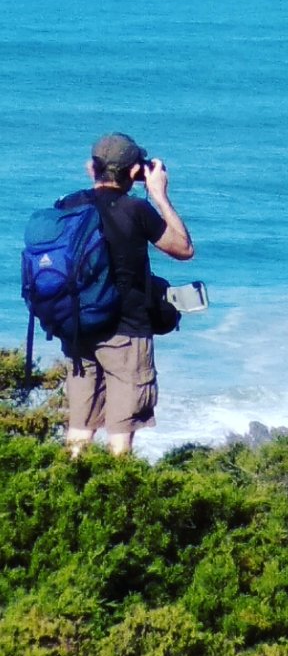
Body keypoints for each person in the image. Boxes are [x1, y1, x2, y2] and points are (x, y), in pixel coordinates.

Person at [63, 133, 194, 456]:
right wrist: (160, 195)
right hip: (126, 331)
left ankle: (67, 496)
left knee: (80, 426)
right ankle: (115, 499)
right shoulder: (136, 210)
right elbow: (183, 248)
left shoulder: (68, 206)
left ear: (90, 168)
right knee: (121, 431)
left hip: (77, 328)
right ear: (135, 172)